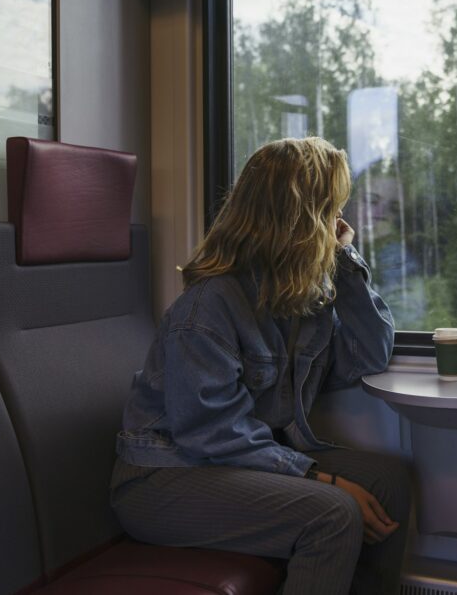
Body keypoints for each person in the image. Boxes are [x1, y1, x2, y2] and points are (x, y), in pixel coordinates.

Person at [110, 138, 410, 595]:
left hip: (238, 461)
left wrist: (346, 262)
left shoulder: (301, 298)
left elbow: (369, 356)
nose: (338, 223)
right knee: (333, 513)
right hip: (167, 476)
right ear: (302, 221)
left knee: (389, 481)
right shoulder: (207, 308)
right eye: (331, 211)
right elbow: (210, 433)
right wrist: (318, 477)